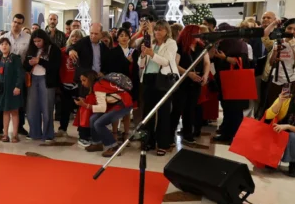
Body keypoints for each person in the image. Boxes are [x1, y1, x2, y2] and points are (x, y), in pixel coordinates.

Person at [138, 19, 179, 155]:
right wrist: (143, 55)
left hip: (163, 79)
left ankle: (163, 144)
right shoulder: (151, 42)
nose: (157, 32)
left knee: (163, 113)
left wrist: (151, 54)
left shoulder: (171, 43)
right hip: (148, 79)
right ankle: (148, 141)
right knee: (148, 113)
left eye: (160, 29)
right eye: (156, 29)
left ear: (166, 30)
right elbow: (141, 64)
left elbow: (166, 61)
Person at [211, 23, 252, 143]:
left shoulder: (239, 45)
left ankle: (232, 136)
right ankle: (227, 133)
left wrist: (224, 58)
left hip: (235, 83)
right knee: (228, 109)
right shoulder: (224, 43)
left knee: (234, 111)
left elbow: (242, 63)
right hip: (225, 81)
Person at [78, 70, 135, 157]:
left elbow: (102, 108)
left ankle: (114, 147)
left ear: (90, 79)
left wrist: (85, 105)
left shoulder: (97, 86)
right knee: (93, 119)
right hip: (118, 102)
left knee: (98, 123)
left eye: (84, 80)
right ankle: (97, 143)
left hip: (123, 104)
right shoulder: (100, 81)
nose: (82, 83)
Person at [261, 18, 295, 116]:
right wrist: (275, 51)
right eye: (289, 28)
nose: (292, 31)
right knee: (273, 105)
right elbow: (271, 62)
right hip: (277, 77)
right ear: (285, 28)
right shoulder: (279, 39)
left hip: (292, 78)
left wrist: (293, 44)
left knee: (287, 107)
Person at [174, 24, 210, 143]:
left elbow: (207, 62)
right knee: (178, 108)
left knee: (191, 108)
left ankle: (188, 133)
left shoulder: (201, 47)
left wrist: (205, 75)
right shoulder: (180, 46)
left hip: (196, 81)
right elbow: (176, 64)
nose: (199, 36)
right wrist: (189, 74)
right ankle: (170, 135)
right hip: (183, 81)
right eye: (197, 33)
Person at [24, 29, 61, 144]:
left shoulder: (53, 48)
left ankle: (48, 134)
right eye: (34, 41)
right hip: (33, 79)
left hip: (47, 80)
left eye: (39, 41)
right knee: (32, 107)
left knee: (47, 108)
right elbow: (25, 65)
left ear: (44, 39)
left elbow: (55, 66)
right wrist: (29, 64)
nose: (37, 43)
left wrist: (40, 61)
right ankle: (34, 132)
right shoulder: (32, 49)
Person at [0, 37, 25, 142]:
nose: (4, 46)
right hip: (2, 91)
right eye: (2, 44)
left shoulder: (15, 58)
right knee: (5, 112)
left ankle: (15, 135)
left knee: (15, 112)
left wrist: (18, 86)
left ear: (10, 46)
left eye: (6, 44)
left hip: (13, 89)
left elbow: (20, 74)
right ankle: (5, 134)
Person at [5, 13, 31, 135]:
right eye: (15, 22)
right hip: (6, 73)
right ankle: (0, 126)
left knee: (20, 100)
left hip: (21, 72)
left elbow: (30, 54)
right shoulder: (4, 37)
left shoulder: (27, 38)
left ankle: (19, 127)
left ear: (22, 24)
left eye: (19, 23)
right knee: (4, 99)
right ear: (12, 22)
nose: (16, 24)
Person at [58, 29, 85, 136]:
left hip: (79, 84)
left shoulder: (84, 52)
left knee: (81, 108)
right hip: (65, 84)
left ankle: (82, 130)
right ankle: (62, 128)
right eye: (73, 36)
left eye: (77, 37)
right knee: (65, 108)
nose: (75, 39)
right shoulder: (63, 51)